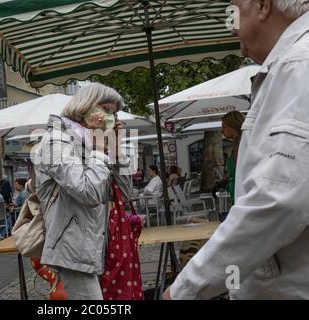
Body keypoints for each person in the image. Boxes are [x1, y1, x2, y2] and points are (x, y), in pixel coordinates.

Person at [165, 0, 309, 300]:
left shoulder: (299, 65)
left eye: (234, 10)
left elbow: (277, 201)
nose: (233, 31)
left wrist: (184, 290)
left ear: (262, 5)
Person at [34, 83, 133, 300]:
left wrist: (115, 146)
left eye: (114, 112)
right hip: (72, 247)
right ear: (85, 106)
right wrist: (99, 151)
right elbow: (88, 193)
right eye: (106, 109)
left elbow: (124, 193)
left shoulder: (92, 143)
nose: (111, 117)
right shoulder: (55, 142)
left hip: (94, 246)